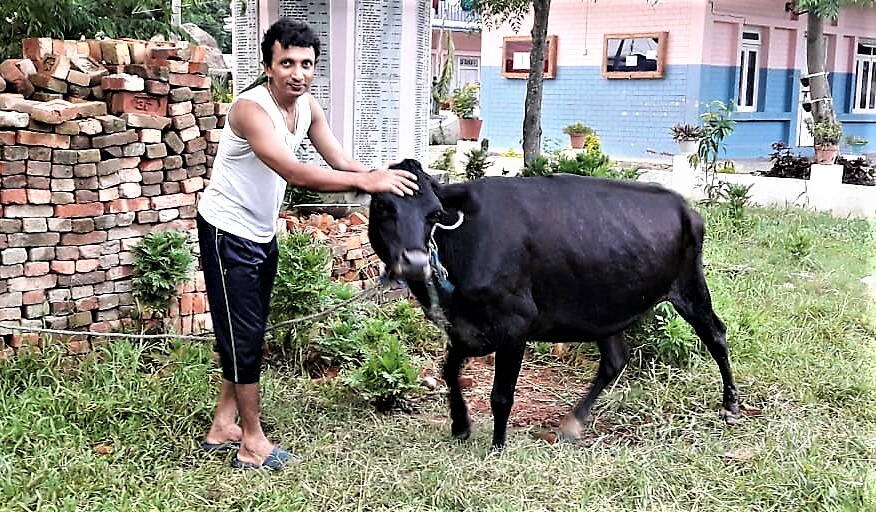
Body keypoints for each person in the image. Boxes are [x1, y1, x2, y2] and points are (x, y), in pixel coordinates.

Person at [195, 17, 418, 470]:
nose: (298, 73)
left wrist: (380, 181)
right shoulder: (249, 110)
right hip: (226, 231)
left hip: (260, 230)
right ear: (267, 65)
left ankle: (223, 424)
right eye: (287, 63)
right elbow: (294, 173)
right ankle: (252, 442)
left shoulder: (308, 107)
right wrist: (364, 180)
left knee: (246, 330)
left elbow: (340, 160)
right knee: (246, 334)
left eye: (307, 64)